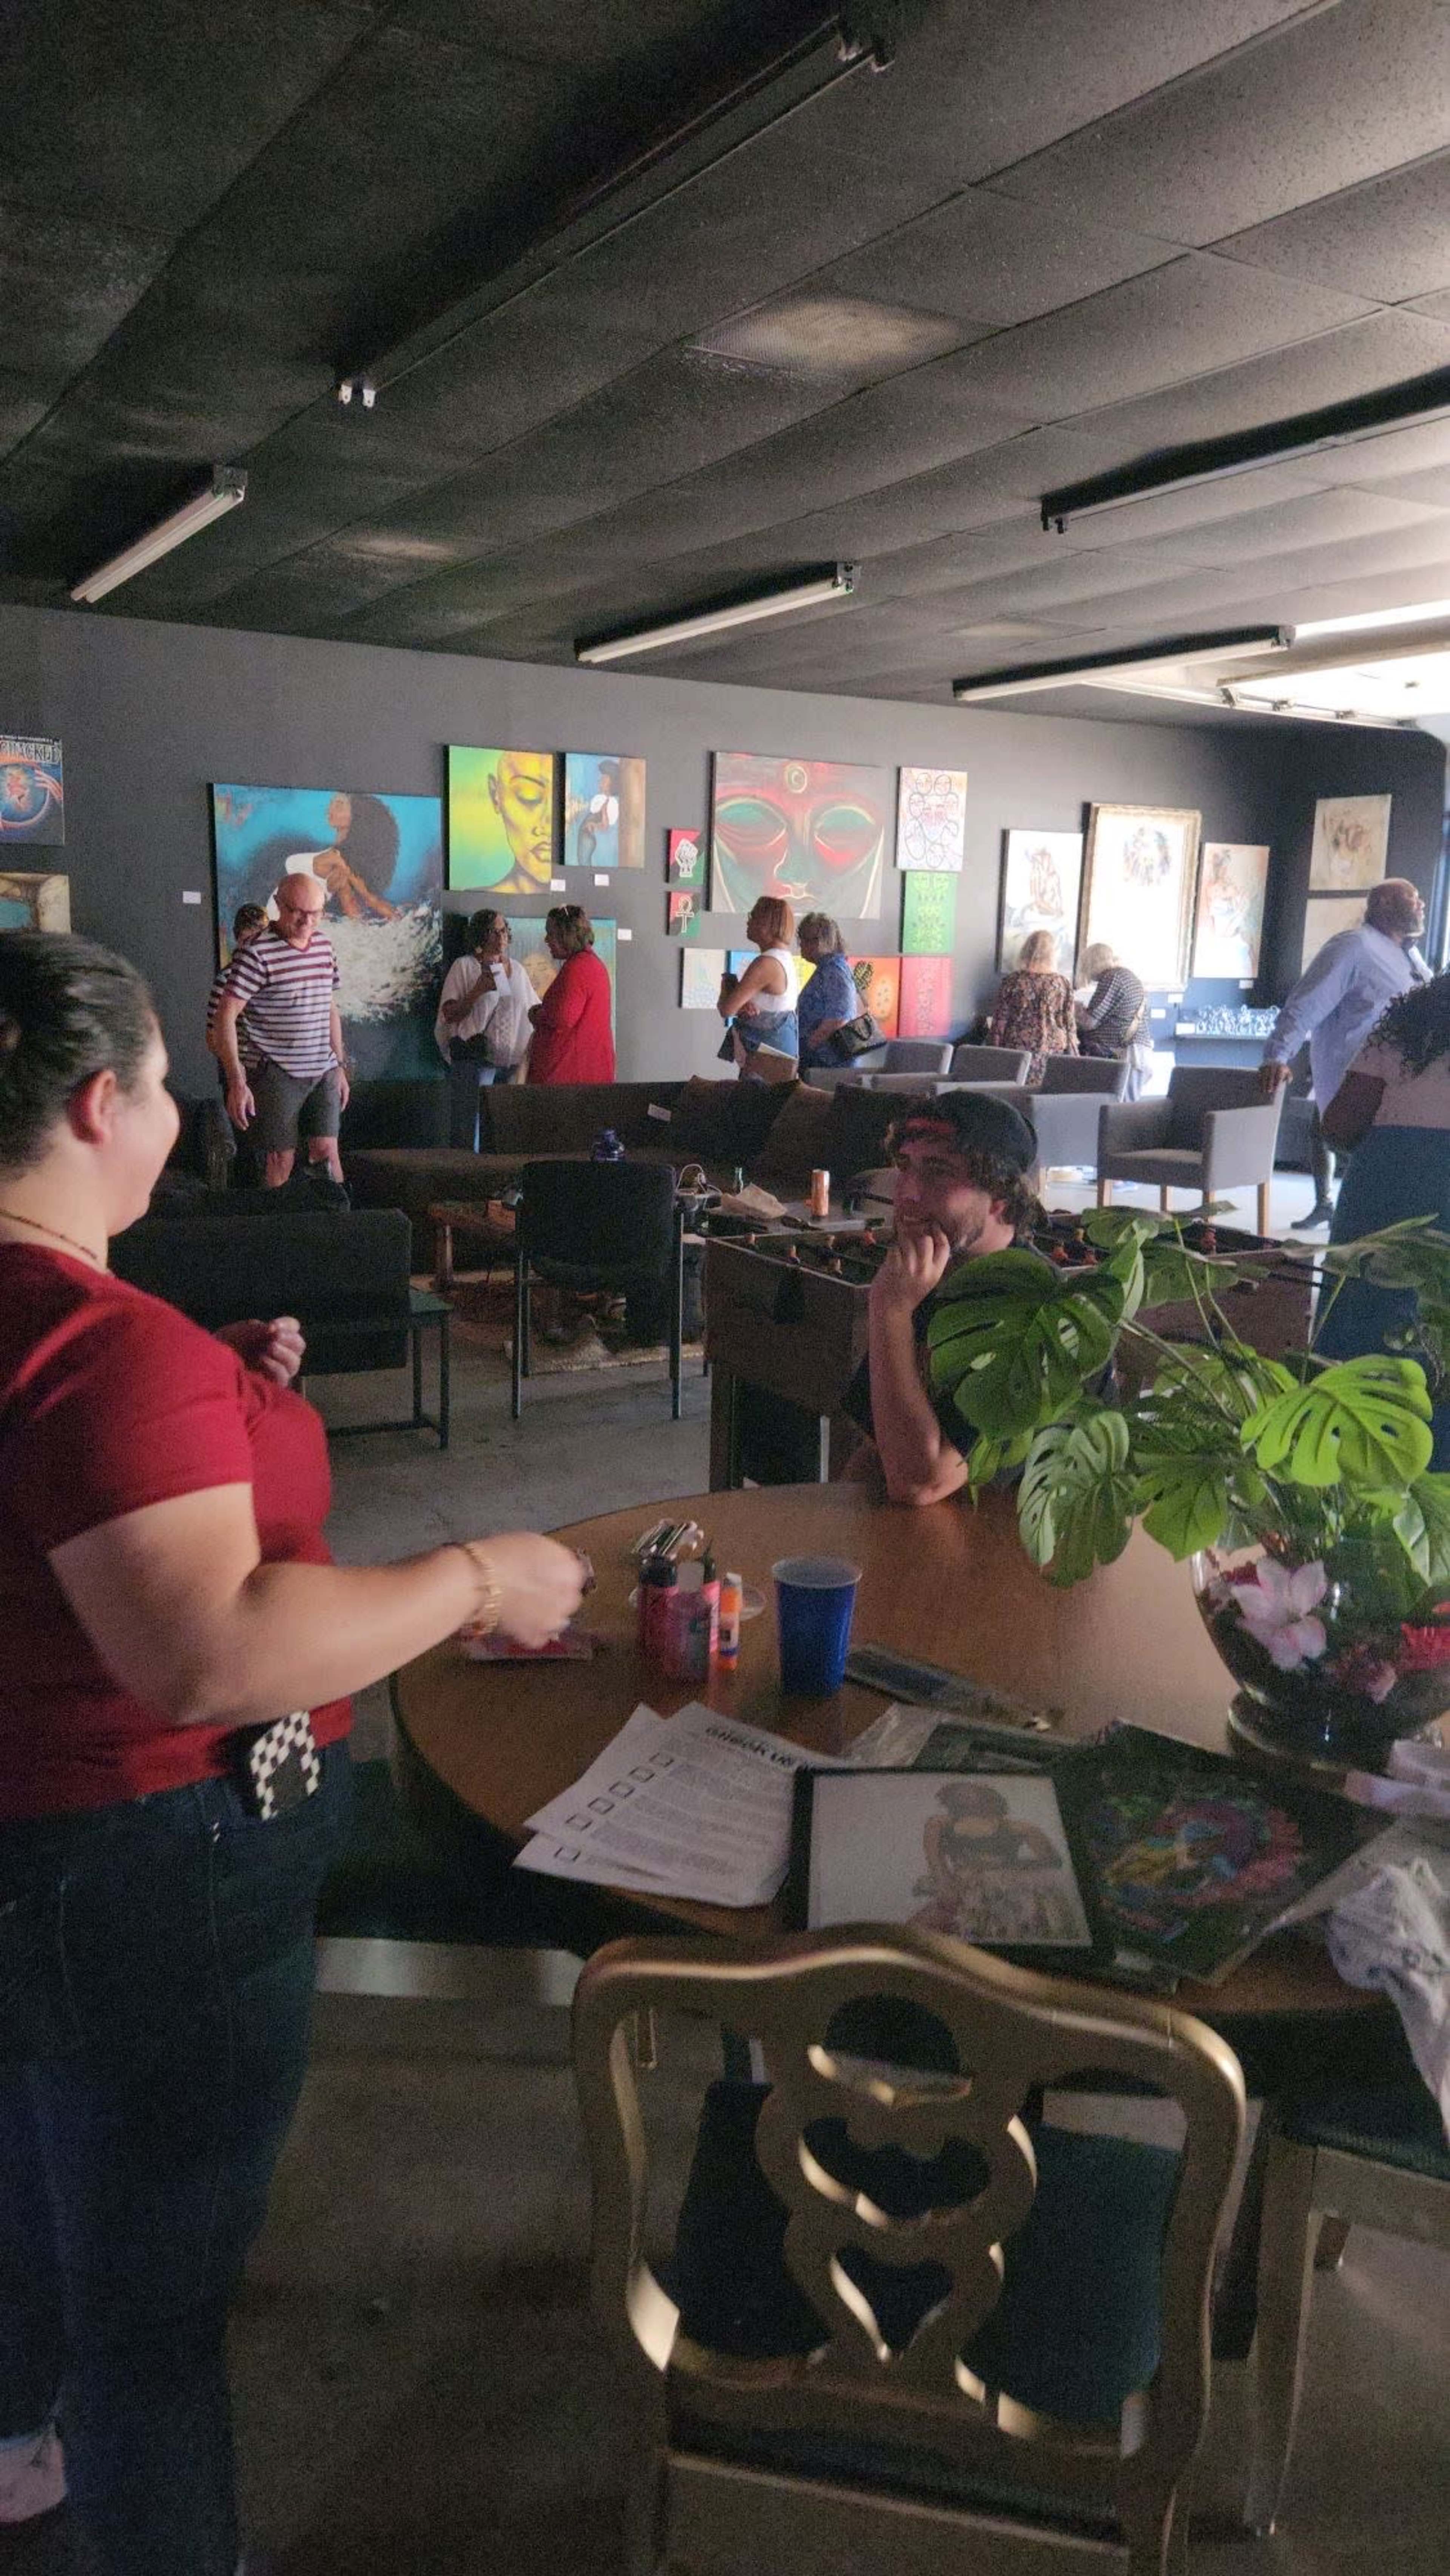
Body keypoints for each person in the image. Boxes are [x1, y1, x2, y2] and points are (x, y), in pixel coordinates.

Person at [0, 929, 584, 2568]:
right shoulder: (101, 1348)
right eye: (174, 1091)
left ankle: (12, 2442)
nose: (186, 1116)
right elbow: (207, 1651)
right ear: (101, 1101)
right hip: (146, 1864)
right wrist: (475, 1570)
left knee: (32, 2159)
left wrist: (220, 1405)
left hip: (30, 1853)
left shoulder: (106, 1335)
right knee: (157, 2294)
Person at [841, 1090, 1041, 1506]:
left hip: (1014, 1559)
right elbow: (875, 1447)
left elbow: (918, 1482)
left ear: (1000, 1197)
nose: (907, 1193)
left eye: (937, 1171)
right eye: (905, 1167)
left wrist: (890, 1311)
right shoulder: (940, 1275)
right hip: (929, 1547)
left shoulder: (1035, 1308)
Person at [1317, 972, 1450, 1468]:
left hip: (1386, 1184)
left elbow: (1339, 1124)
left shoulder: (1408, 1025)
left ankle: (1342, 1468)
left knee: (1359, 1318)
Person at [1260, 877, 1429, 1232]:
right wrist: (1278, 1054)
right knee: (1373, 1182)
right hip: (1359, 1084)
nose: (1421, 905)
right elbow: (1306, 1002)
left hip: (1407, 1088)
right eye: (1412, 899)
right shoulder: (1353, 947)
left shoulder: (1408, 955)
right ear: (1383, 905)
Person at [212, 872, 350, 1188]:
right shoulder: (256, 953)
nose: (306, 921)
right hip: (277, 1071)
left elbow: (330, 1008)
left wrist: (340, 1066)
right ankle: (280, 1233)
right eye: (297, 912)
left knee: (327, 1152)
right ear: (277, 905)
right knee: (280, 1159)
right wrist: (237, 1080)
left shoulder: (325, 946)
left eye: (314, 913)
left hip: (323, 1068)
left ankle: (339, 1231)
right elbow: (225, 1016)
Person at [435, 910, 535, 1146]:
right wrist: (478, 990)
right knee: (471, 1132)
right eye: (493, 931)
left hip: (509, 1066)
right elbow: (449, 1014)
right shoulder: (465, 967)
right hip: (475, 1062)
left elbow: (531, 1010)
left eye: (503, 931)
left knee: (501, 1133)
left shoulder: (518, 971)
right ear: (481, 935)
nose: (500, 937)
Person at [526, 905, 615, 1085]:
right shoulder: (592, 964)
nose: (547, 940)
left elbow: (562, 1018)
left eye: (550, 933)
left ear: (565, 935)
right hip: (583, 1075)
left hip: (568, 1078)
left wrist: (537, 1014)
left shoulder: (578, 968)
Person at [716, 897, 798, 1075]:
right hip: (776, 1062)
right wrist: (743, 1006)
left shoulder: (766, 963)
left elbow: (727, 1010)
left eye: (753, 916)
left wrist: (727, 988)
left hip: (764, 1068)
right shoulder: (784, 959)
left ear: (767, 923)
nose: (748, 921)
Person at [988, 928, 1078, 1082]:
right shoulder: (1062, 983)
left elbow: (1000, 1021)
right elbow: (1069, 1023)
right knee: (1043, 1095)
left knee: (1014, 1092)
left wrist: (994, 1051)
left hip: (1018, 1046)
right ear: (1052, 954)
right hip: (1053, 1049)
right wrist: (1075, 1053)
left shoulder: (1014, 981)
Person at [204, 902, 267, 1083]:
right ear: (237, 939)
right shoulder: (226, 979)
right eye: (247, 941)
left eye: (259, 941)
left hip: (271, 1072)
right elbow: (212, 1036)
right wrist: (235, 1066)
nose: (253, 949)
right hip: (242, 1073)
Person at [795, 912, 861, 1070]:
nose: (801, 945)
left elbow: (838, 1020)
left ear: (820, 941)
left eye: (804, 939)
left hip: (828, 1064)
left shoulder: (834, 971)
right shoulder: (828, 969)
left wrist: (807, 1048)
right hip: (821, 1060)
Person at [1075, 942, 1147, 1061]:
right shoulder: (1126, 976)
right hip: (1135, 1049)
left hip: (1121, 1052)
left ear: (1094, 964)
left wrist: (1076, 1010)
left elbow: (1090, 1022)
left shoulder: (1112, 978)